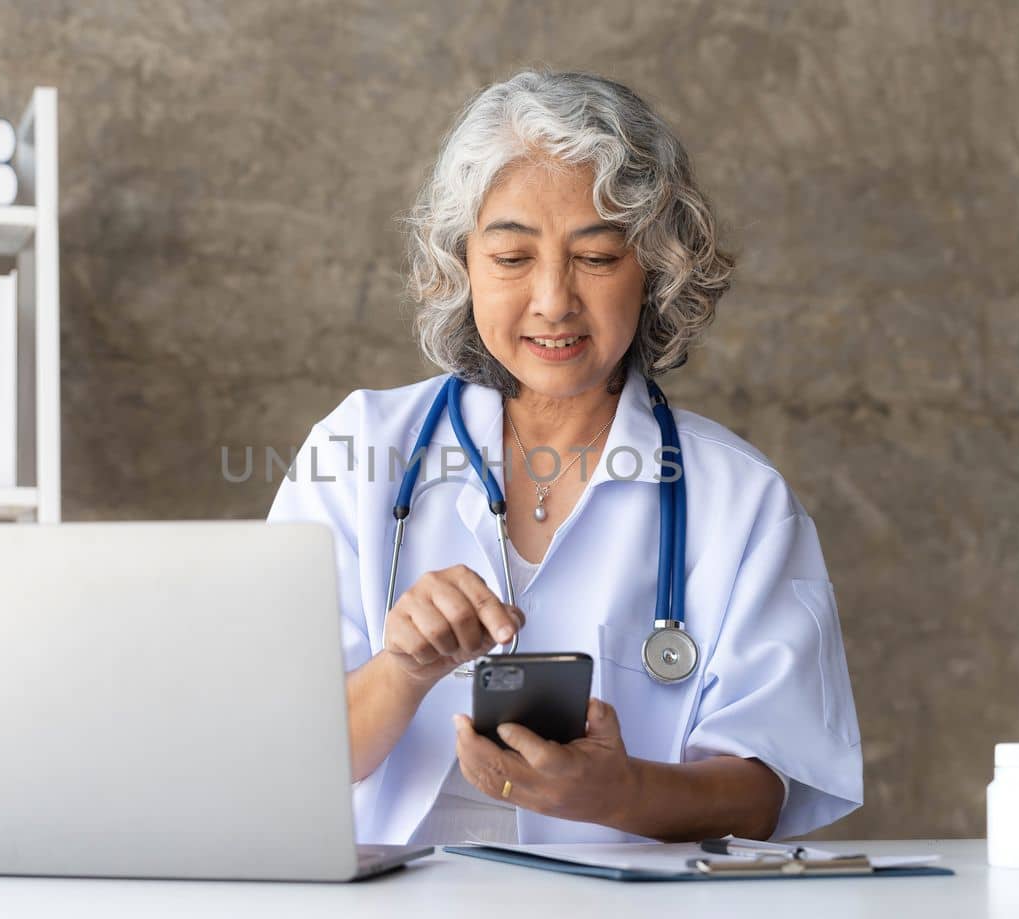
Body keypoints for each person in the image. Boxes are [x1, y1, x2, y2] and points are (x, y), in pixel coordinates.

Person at [268, 70, 861, 845]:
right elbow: (274, 756)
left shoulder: (741, 500)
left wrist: (618, 793)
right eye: (512, 258)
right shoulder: (357, 452)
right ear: (462, 264)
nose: (553, 300)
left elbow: (763, 791)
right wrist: (403, 669)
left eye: (598, 257)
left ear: (656, 265)